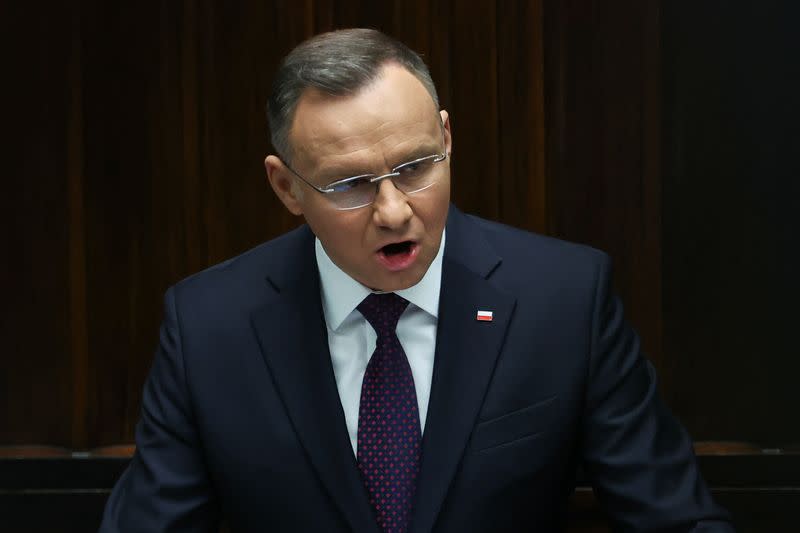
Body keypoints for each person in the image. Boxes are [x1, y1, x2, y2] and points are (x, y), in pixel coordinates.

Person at [100, 28, 733, 532]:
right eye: (350, 184)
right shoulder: (210, 327)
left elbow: (676, 518)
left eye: (415, 166)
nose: (395, 210)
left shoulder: (564, 299)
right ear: (286, 187)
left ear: (448, 139)